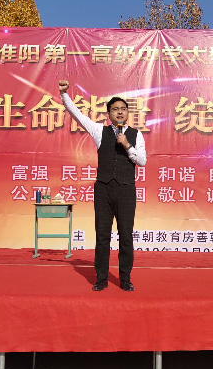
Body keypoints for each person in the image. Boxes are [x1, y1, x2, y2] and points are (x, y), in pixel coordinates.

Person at [58, 80, 147, 291]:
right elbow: (77, 115)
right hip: (103, 189)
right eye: (115, 109)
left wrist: (127, 145)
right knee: (102, 235)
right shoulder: (99, 131)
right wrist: (64, 94)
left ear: (127, 113)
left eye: (123, 109)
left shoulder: (136, 135)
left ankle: (125, 278)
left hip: (126, 190)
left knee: (126, 236)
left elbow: (142, 161)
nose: (119, 112)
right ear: (109, 114)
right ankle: (101, 278)